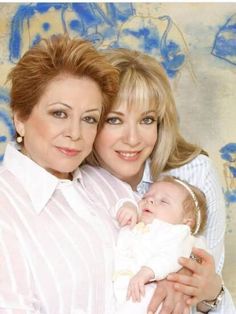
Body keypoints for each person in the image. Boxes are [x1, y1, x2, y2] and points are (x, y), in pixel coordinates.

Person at [82, 48, 236, 313]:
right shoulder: (77, 183)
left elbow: (208, 283)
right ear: (91, 121)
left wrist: (199, 289)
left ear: (160, 123)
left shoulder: (194, 174)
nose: (133, 139)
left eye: (147, 119)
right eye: (115, 119)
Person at [0, 34, 136, 314]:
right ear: (20, 118)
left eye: (89, 119)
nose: (75, 134)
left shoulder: (108, 185)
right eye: (59, 113)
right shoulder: (6, 208)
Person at [113, 175, 208, 314]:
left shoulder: (179, 233)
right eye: (145, 197)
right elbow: (113, 209)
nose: (149, 200)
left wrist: (148, 271)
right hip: (124, 288)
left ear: (187, 221)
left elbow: (172, 255)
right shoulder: (137, 223)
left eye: (163, 201)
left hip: (153, 288)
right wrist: (128, 206)